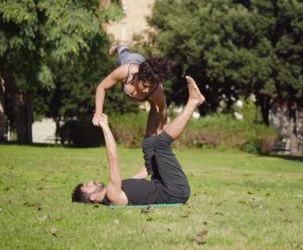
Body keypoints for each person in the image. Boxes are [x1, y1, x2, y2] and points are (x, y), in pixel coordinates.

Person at [72, 76, 205, 205]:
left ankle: (154, 98)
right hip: (175, 191)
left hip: (161, 183)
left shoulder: (117, 188)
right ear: (93, 197)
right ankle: (194, 101)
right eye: (86, 186)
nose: (90, 182)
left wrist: (150, 162)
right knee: (160, 144)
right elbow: (113, 158)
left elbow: (143, 173)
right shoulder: (113, 195)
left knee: (149, 145)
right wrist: (105, 126)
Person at [92, 45, 174, 136]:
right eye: (145, 86)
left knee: (155, 103)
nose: (147, 90)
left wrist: (162, 125)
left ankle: (150, 138)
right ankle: (121, 47)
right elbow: (102, 87)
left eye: (151, 87)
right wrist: (98, 113)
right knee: (124, 54)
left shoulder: (156, 90)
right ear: (139, 77)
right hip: (130, 59)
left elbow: (163, 108)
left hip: (145, 70)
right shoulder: (125, 72)